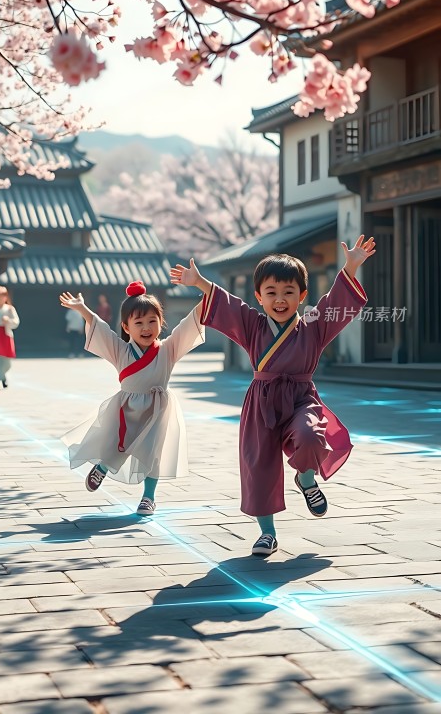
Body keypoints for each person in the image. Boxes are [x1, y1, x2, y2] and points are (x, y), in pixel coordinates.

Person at [171, 235, 375, 556]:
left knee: (310, 436)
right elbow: (228, 305)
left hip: (301, 397)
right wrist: (200, 283)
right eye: (271, 292)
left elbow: (335, 303)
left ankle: (306, 480)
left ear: (302, 296)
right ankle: (267, 533)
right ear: (259, 297)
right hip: (261, 401)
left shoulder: (313, 326)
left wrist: (350, 267)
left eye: (288, 292)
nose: (280, 299)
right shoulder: (251, 324)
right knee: (260, 464)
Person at [59, 280, 205, 515]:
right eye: (138, 323)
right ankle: (103, 466)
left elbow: (188, 325)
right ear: (126, 327)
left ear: (160, 322)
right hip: (125, 407)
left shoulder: (168, 349)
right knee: (116, 446)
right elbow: (102, 330)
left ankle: (148, 497)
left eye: (152, 321)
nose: (146, 328)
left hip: (157, 409)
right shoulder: (120, 350)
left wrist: (206, 296)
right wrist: (83, 310)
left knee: (153, 453)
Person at [0, 285, 20, 391]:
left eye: (4, 294)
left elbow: (16, 322)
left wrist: (8, 320)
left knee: (6, 360)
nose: (1, 297)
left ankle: (2, 376)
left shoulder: (9, 309)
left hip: (5, 335)